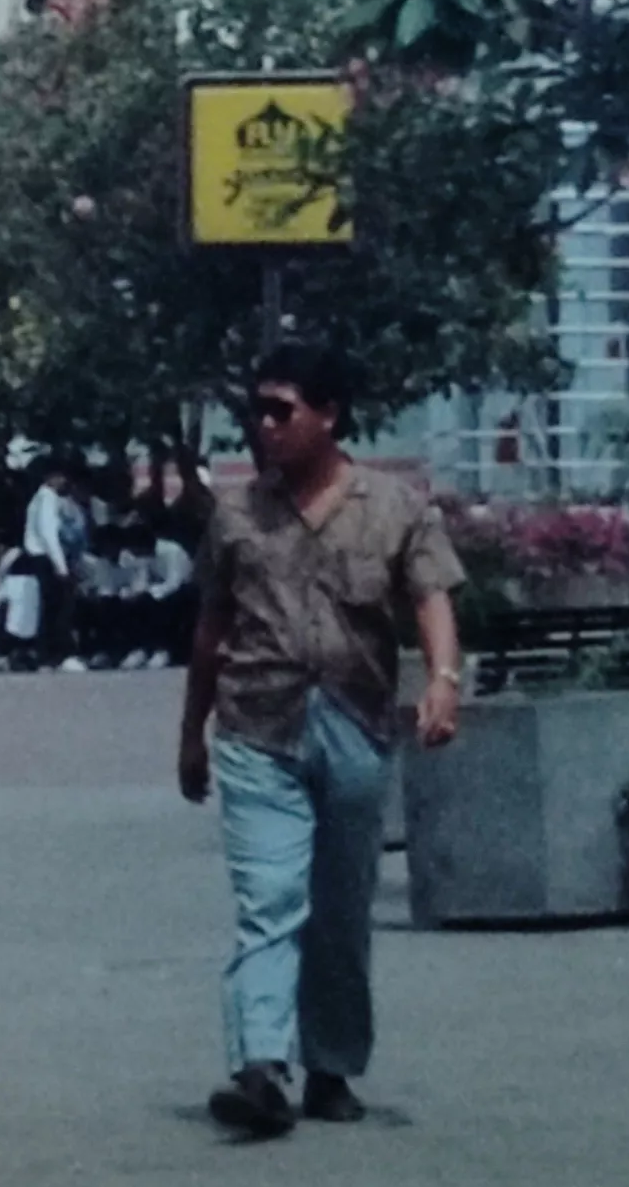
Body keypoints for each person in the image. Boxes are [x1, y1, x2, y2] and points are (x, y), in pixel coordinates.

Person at [177, 340, 465, 1141]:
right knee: (270, 901)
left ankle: (330, 1064)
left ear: (329, 414)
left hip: (355, 725)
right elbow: (209, 631)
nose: (265, 427)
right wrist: (190, 736)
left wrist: (443, 681)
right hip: (256, 727)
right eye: (257, 411)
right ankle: (261, 1066)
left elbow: (432, 596)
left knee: (340, 909)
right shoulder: (237, 515)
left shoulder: (392, 506)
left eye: (282, 409)